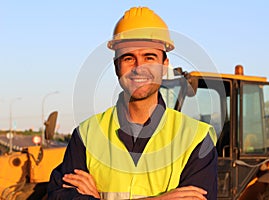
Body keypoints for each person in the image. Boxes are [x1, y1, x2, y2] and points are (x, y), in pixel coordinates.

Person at [47, 6, 218, 200]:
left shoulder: (196, 139)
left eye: (149, 57)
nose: (139, 68)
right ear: (116, 67)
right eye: (129, 58)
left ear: (164, 66)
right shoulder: (87, 135)